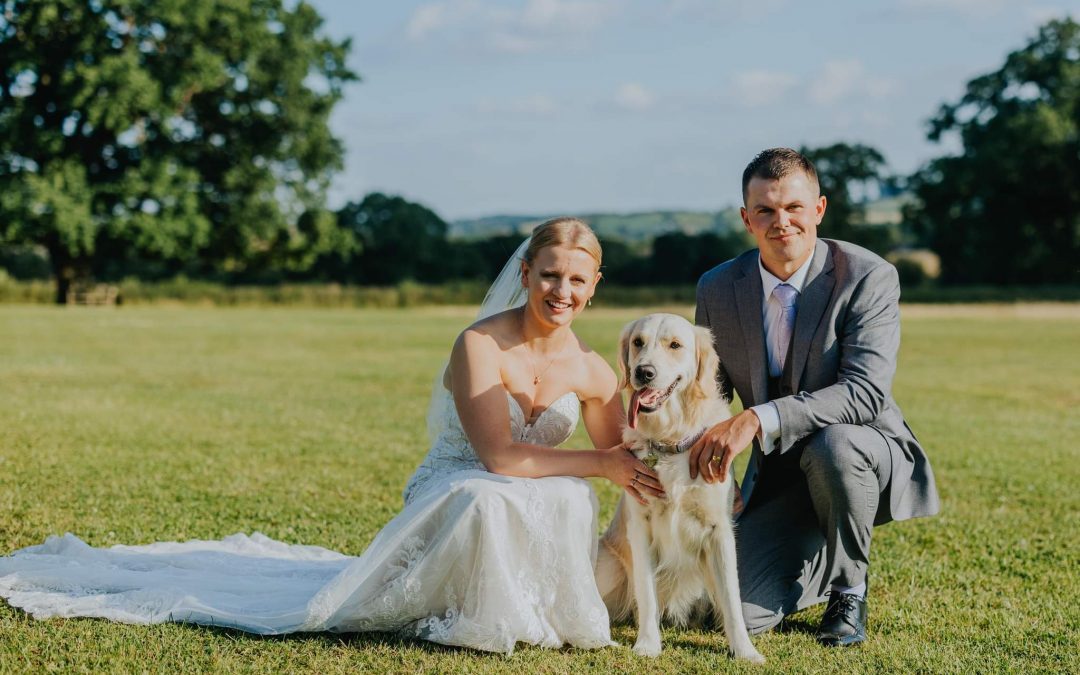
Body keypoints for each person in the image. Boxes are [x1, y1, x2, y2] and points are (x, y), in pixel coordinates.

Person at [0, 217, 664, 655]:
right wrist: (600, 463)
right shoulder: (477, 345)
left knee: (570, 497)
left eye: (576, 279)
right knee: (490, 496)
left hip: (530, 490)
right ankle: (468, 611)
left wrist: (658, 431)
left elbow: (621, 455)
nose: (561, 289)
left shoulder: (593, 367)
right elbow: (498, 455)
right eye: (549, 273)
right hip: (459, 482)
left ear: (594, 287)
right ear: (525, 273)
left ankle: (536, 608)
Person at [689, 148, 939, 646]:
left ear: (819, 209)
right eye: (765, 210)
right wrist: (717, 475)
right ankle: (820, 547)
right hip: (778, 474)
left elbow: (864, 394)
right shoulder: (717, 288)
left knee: (835, 447)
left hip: (861, 451)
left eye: (794, 207)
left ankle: (850, 587)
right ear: (747, 219)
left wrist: (758, 418)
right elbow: (707, 398)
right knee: (725, 610)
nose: (781, 221)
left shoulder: (868, 276)